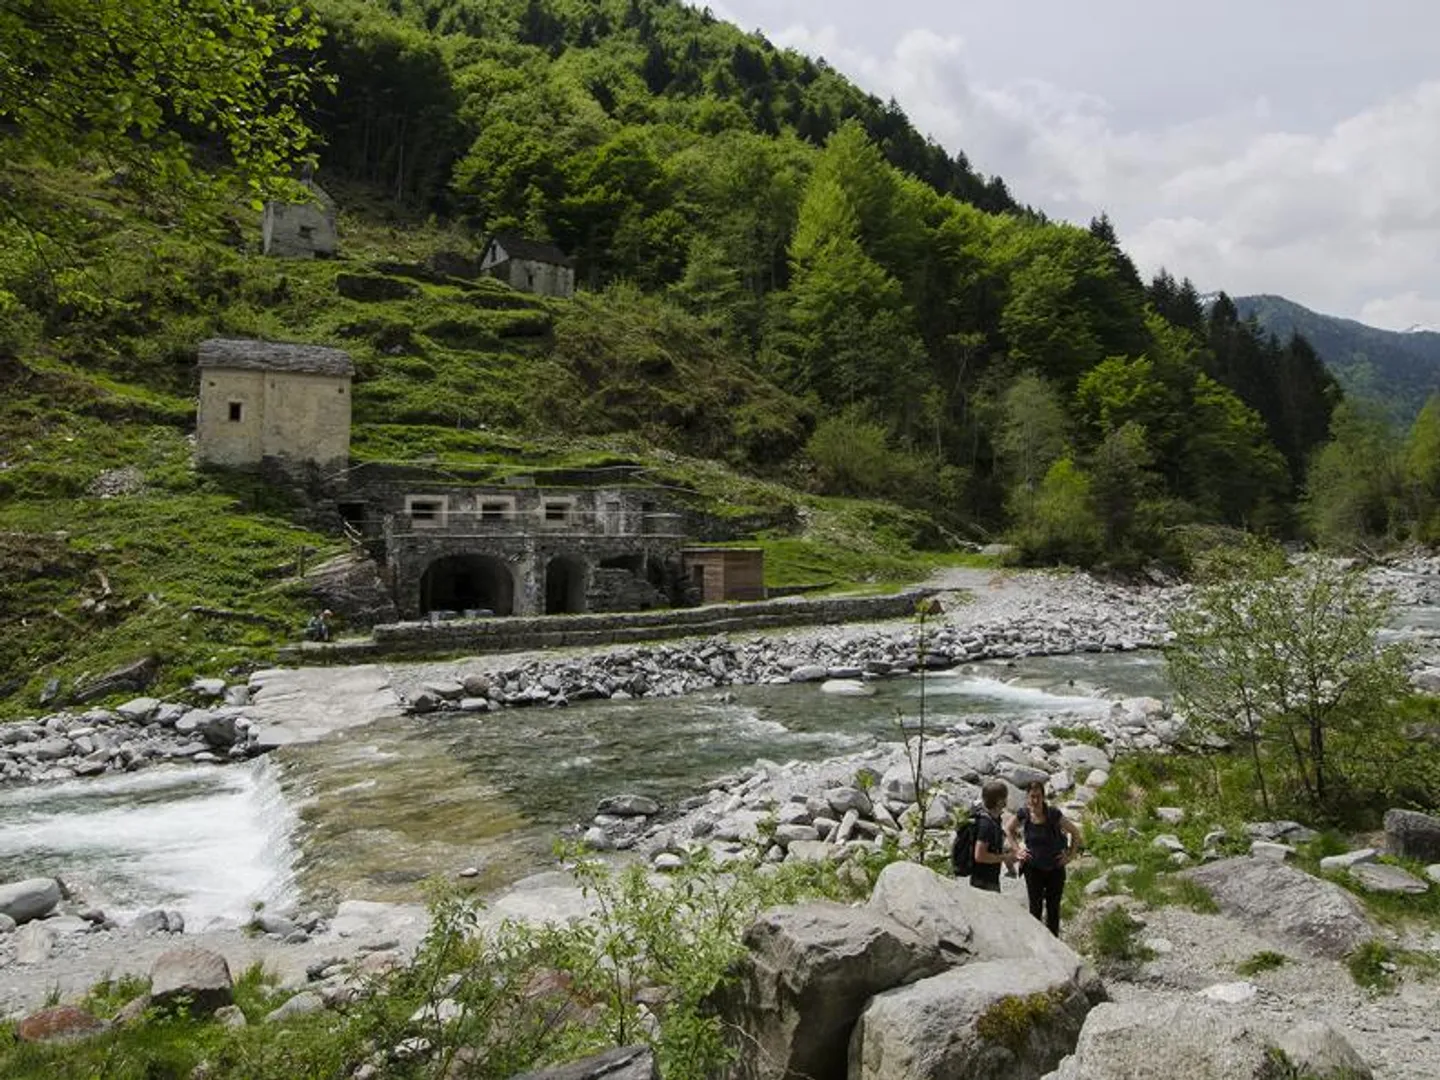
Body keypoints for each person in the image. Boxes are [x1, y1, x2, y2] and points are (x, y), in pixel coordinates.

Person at [1007, 780, 1084, 936]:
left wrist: (1070, 855)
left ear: (1043, 797)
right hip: (1033, 869)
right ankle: (1037, 944)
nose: (1035, 801)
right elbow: (1008, 829)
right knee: (1035, 908)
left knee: (1053, 909)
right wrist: (1017, 850)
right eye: (1032, 797)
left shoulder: (1054, 814)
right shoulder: (1024, 814)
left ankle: (1054, 944)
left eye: (1038, 796)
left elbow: (1075, 833)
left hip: (1055, 868)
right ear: (1027, 797)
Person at [970, 780, 1016, 892]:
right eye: (1005, 797)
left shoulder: (994, 819)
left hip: (989, 879)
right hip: (982, 883)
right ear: (999, 801)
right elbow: (980, 856)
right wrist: (1004, 858)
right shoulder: (986, 824)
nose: (1007, 800)